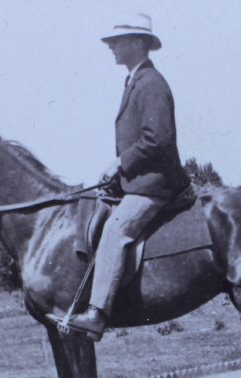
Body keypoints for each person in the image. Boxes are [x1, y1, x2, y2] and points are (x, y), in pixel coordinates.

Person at [64, 13, 190, 340]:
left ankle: (97, 313)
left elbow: (158, 139)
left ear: (136, 43)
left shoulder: (152, 83)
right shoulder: (135, 81)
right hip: (137, 182)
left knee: (115, 231)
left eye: (116, 42)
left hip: (154, 185)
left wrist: (120, 163)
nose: (111, 48)